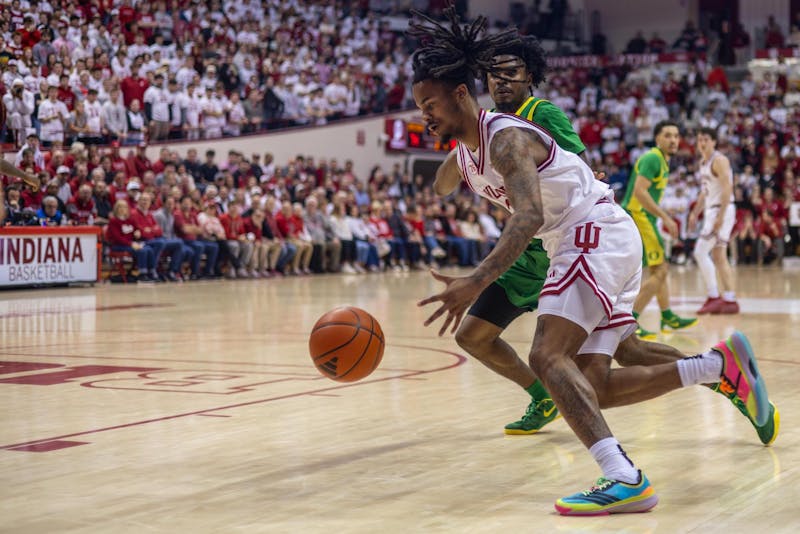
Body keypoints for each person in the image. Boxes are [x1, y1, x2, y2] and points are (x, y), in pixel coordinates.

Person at [409, 8, 771, 515]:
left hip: (587, 234)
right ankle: (717, 366)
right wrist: (449, 148)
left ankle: (625, 478)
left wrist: (475, 281)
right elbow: (445, 179)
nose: (423, 113)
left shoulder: (509, 137)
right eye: (419, 105)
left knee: (547, 358)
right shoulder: (472, 149)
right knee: (591, 385)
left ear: (462, 96)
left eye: (430, 103)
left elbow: (529, 214)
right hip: (595, 238)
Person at [620, 121, 697, 339]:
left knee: (659, 270)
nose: (673, 140)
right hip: (640, 216)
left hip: (645, 218)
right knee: (660, 270)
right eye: (668, 135)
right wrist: (667, 218)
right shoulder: (653, 158)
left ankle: (668, 316)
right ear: (657, 139)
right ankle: (630, 321)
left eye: (676, 135)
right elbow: (640, 192)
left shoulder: (662, 160)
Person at [688, 127, 739, 314]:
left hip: (721, 209)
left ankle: (714, 296)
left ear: (714, 142)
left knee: (700, 252)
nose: (701, 143)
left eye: (706, 139)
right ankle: (730, 300)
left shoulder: (719, 160)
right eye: (699, 139)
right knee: (718, 256)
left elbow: (727, 188)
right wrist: (695, 212)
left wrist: (720, 216)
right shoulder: (704, 161)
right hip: (714, 209)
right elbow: (705, 191)